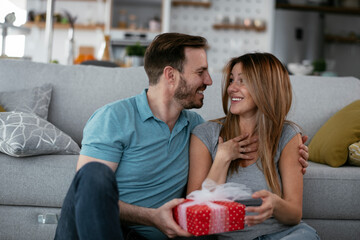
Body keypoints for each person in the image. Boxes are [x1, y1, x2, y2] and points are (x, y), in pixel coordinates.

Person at [55, 34, 309, 240]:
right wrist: (151, 216)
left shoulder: (196, 128)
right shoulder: (114, 117)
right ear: (171, 75)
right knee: (93, 174)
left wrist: (290, 144)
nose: (210, 81)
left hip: (167, 235)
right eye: (201, 72)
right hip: (109, 230)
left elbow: (202, 195)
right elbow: (87, 196)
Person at [187, 53, 319, 240]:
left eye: (242, 81)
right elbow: (194, 213)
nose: (231, 88)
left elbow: (294, 214)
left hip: (281, 234)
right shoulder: (205, 134)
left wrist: (275, 204)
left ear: (266, 87)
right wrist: (222, 159)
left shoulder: (288, 135)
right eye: (232, 80)